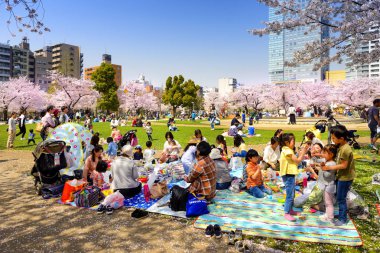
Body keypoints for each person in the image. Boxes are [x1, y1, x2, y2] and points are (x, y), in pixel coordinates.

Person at [322, 125, 356, 226]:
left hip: (345, 178)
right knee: (339, 196)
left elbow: (344, 165)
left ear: (341, 138)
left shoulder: (346, 149)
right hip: (341, 177)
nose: (332, 140)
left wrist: (329, 168)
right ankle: (341, 214)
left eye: (333, 138)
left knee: (341, 198)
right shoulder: (341, 146)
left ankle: (342, 219)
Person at [279, 133, 310, 221]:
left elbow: (295, 161)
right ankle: (286, 213)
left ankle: (290, 209)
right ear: (286, 142)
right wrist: (303, 152)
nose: (294, 143)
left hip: (290, 174)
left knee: (292, 193)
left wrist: (303, 152)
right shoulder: (287, 150)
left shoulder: (287, 150)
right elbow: (297, 161)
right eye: (293, 141)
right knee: (290, 195)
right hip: (288, 175)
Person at [318, 145, 338, 224]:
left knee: (329, 203)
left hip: (329, 186)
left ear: (331, 154)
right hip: (326, 185)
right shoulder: (328, 162)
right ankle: (327, 214)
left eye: (325, 153)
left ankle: (330, 217)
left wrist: (323, 167)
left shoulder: (332, 164)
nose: (323, 154)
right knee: (326, 201)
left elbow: (327, 175)